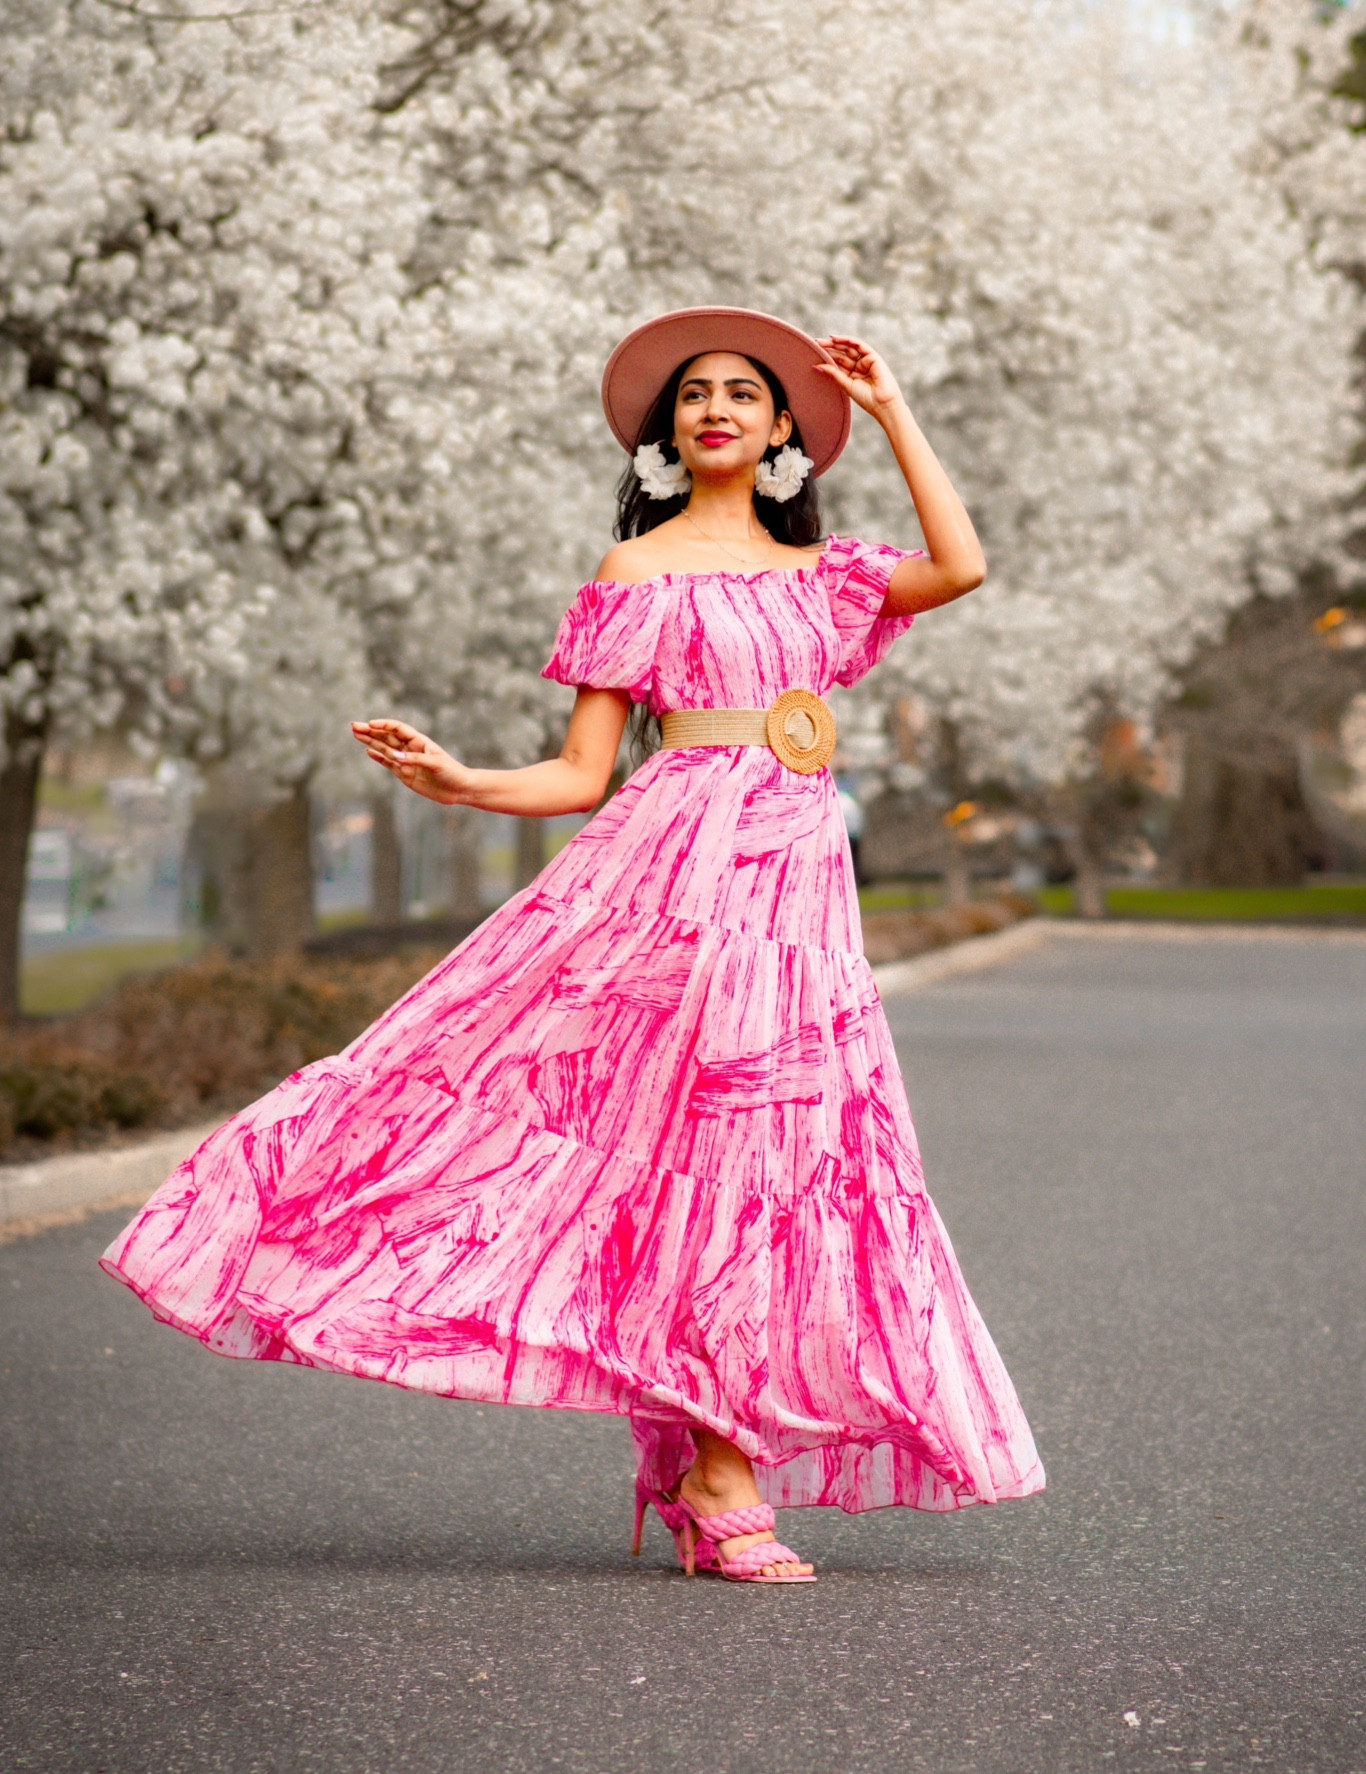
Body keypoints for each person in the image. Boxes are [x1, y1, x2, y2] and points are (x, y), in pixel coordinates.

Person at [103, 308, 1043, 1585]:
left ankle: (717, 1465)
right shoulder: (636, 570)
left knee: (777, 1159)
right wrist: (459, 780)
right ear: (669, 433)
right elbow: (580, 773)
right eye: (693, 396)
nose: (715, 409)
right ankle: (722, 1475)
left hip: (796, 900)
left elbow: (961, 565)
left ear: (781, 430)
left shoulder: (827, 575)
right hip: (669, 878)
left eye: (742, 394)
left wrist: (890, 411)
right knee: (685, 1148)